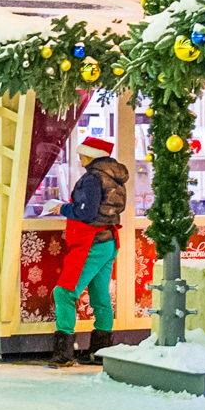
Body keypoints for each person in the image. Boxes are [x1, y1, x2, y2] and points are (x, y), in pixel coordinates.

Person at [47, 136, 127, 369]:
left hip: (90, 244)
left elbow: (86, 212)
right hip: (109, 241)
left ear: (92, 155)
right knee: (100, 297)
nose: (80, 158)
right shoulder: (114, 176)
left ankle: (63, 352)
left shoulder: (93, 178)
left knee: (64, 293)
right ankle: (100, 351)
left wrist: (60, 207)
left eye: (83, 154)